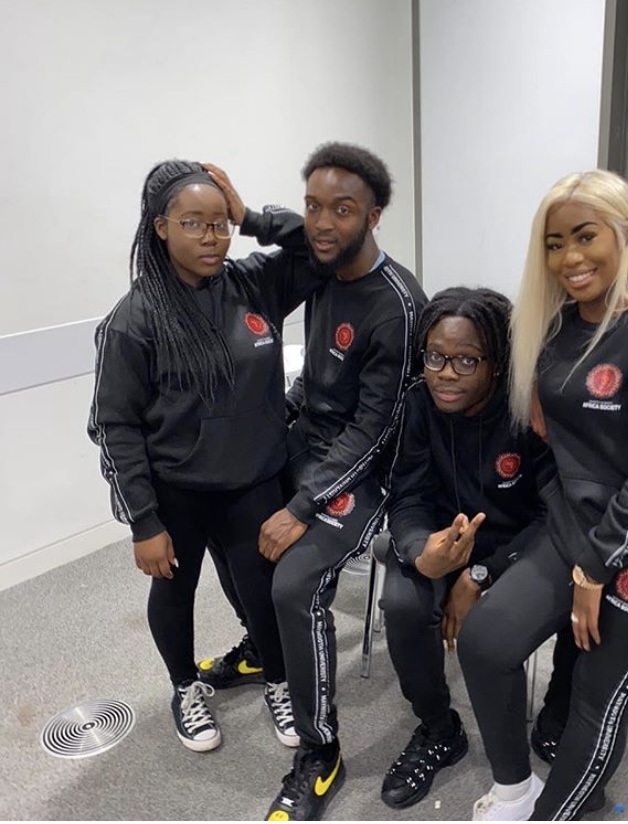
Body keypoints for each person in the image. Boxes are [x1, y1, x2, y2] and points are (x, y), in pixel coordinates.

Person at [457, 169, 628, 820]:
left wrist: (597, 566)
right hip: (586, 524)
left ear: (625, 234)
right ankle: (516, 792)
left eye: (586, 236)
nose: (570, 257)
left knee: (596, 697)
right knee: (486, 642)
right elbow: (555, 446)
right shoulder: (554, 327)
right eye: (555, 244)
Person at [206, 142, 428, 821]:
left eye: (343, 209)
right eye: (313, 207)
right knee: (224, 511)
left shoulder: (398, 305)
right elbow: (298, 239)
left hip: (367, 466)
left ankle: (320, 752)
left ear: (375, 216)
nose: (324, 223)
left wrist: (303, 506)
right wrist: (246, 216)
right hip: (306, 437)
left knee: (296, 585)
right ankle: (262, 647)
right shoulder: (321, 265)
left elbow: (376, 429)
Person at [88, 160, 327, 753]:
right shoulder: (133, 321)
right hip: (177, 491)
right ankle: (184, 686)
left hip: (255, 481)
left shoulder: (254, 283)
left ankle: (278, 681)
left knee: (263, 591)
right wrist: (144, 522)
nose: (212, 237)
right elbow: (115, 427)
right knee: (176, 590)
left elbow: (324, 247)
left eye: (220, 223)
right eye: (194, 223)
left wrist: (254, 218)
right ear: (161, 227)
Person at [379, 287, 556, 811]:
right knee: (403, 604)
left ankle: (556, 718)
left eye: (466, 360)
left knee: (550, 601)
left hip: (517, 546)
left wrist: (480, 574)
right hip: (440, 539)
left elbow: (552, 517)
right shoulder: (418, 403)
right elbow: (406, 496)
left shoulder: (527, 410)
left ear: (497, 364)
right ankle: (439, 729)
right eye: (435, 357)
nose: (445, 374)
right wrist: (421, 552)